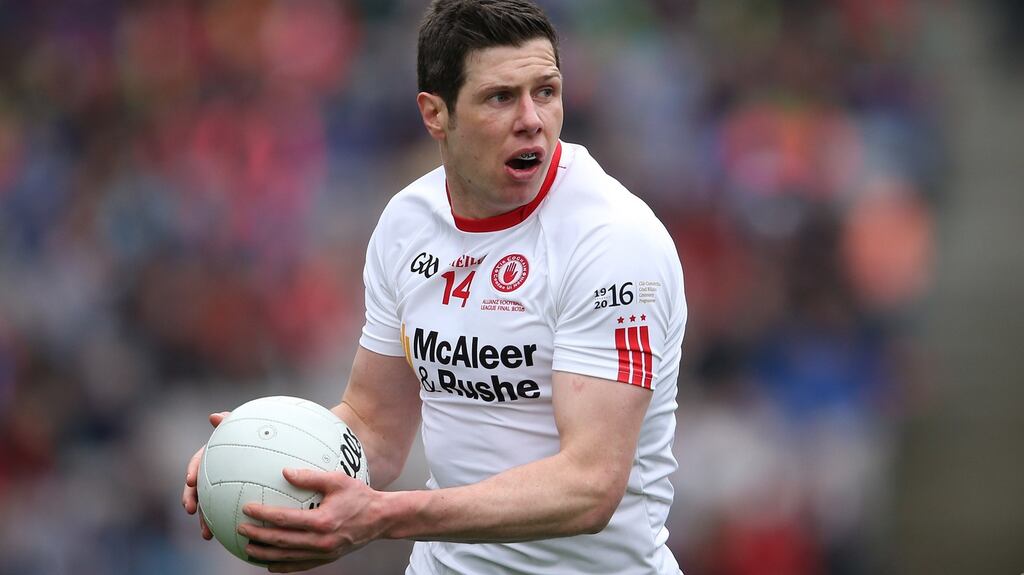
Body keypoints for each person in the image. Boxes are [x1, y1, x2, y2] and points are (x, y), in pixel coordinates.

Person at [182, 0, 687, 573]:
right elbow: (374, 426)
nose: (532, 119)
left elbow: (590, 487)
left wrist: (385, 516)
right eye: (501, 97)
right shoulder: (408, 222)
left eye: (546, 92)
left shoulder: (613, 241)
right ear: (435, 114)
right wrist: (255, 454)